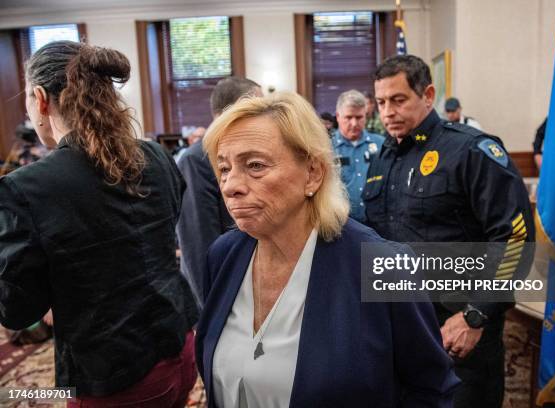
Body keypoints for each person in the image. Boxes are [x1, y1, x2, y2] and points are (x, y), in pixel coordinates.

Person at [194, 92, 459, 407]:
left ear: (312, 173)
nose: (230, 185)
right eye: (224, 169)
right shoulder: (224, 255)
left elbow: (430, 390)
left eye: (255, 165)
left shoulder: (384, 265)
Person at [0, 41, 198, 406]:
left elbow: (17, 311)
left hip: (113, 380)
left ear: (40, 99)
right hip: (182, 347)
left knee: (12, 396)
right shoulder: (156, 156)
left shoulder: (25, 188)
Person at [364, 55, 535, 408]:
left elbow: (514, 238)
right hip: (402, 322)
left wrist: (476, 315)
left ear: (427, 95)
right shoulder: (383, 157)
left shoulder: (471, 150)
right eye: (381, 103)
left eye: (398, 100)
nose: (388, 112)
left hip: (460, 326)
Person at [176, 77, 262, 311]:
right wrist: (212, 312)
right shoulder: (197, 159)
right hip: (221, 291)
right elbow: (197, 243)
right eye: (258, 107)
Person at [332, 90, 384, 222]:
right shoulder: (326, 147)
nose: (354, 123)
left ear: (365, 116)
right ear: (338, 116)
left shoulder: (381, 144)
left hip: (376, 224)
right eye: (348, 117)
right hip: (342, 225)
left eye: (359, 117)